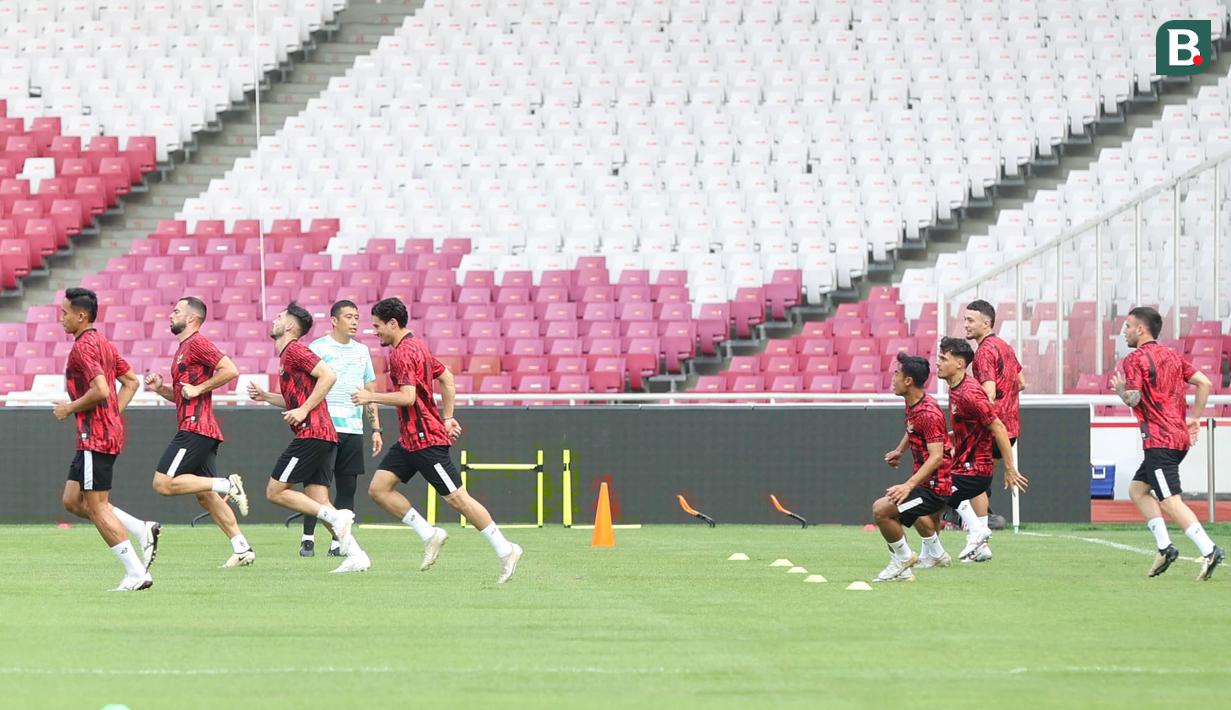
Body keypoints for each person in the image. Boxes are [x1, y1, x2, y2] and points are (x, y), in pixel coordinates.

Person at [356, 297, 523, 583]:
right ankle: (429, 534)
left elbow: (408, 397)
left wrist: (371, 396)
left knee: (458, 499)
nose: (375, 332)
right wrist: (447, 417)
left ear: (393, 324)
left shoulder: (401, 353)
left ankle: (506, 549)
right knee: (379, 489)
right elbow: (446, 377)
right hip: (410, 440)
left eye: (377, 326)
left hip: (426, 441)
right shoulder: (418, 345)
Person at [247, 302, 370, 573]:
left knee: (275, 491)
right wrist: (266, 397)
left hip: (313, 434)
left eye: (279, 317)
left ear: (289, 326)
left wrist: (303, 410)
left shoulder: (295, 351)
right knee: (319, 500)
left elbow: (329, 375)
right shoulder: (287, 357)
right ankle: (357, 555)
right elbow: (295, 399)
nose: (274, 320)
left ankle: (338, 518)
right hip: (323, 434)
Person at [55, 287, 157, 591]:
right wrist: (112, 413)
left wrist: (69, 408)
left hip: (94, 436)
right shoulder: (103, 343)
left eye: (65, 313)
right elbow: (131, 381)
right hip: (101, 433)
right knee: (73, 501)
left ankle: (136, 573)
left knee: (98, 506)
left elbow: (100, 389)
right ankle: (141, 528)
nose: (61, 318)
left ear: (81, 315)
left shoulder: (83, 347)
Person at [1111, 306, 1223, 580]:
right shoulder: (1172, 356)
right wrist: (1195, 418)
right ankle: (1165, 547)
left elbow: (1134, 399)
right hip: (1178, 438)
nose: (1124, 332)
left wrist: (1120, 390)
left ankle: (1209, 550)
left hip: (1159, 440)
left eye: (1127, 326)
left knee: (1170, 500)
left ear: (1140, 329)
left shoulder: (1134, 360)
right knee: (1138, 489)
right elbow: (1205, 382)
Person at [146, 296, 254, 568]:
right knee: (206, 496)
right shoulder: (183, 348)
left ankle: (227, 484)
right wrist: (162, 389)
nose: (170, 315)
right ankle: (242, 549)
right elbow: (185, 395)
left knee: (162, 483)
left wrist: (200, 388)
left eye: (176, 311)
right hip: (202, 429)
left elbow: (230, 370)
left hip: (195, 428)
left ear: (192, 318)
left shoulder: (197, 343)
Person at [296, 300, 382, 558]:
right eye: (348, 317)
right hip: (323, 428)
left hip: (353, 429)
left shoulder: (362, 351)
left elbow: (370, 391)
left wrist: (375, 428)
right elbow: (306, 386)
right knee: (316, 485)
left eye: (356, 317)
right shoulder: (318, 348)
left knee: (347, 487)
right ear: (334, 320)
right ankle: (308, 537)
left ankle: (338, 542)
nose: (354, 321)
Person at [936, 336, 1029, 562]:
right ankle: (977, 546)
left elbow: (998, 426)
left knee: (941, 491)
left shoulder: (970, 392)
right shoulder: (955, 388)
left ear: (959, 363)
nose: (937, 362)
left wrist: (1009, 467)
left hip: (976, 466)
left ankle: (976, 531)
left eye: (942, 358)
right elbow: (967, 428)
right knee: (936, 497)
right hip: (967, 462)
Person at [872, 353, 954, 582]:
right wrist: (899, 450)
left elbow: (936, 456)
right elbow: (913, 430)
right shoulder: (914, 405)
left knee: (882, 510)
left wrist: (908, 486)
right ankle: (921, 560)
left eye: (897, 374)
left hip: (936, 488)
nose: (893, 378)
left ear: (908, 381)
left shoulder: (928, 413)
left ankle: (903, 560)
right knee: (910, 518)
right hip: (927, 482)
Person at [961, 299, 1026, 562]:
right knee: (978, 479)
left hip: (991, 427)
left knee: (971, 478)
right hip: (1010, 427)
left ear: (986, 323)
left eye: (970, 320)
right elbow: (1021, 381)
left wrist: (979, 410)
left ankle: (980, 540)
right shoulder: (1005, 347)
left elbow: (987, 392)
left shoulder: (985, 351)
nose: (965, 324)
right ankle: (978, 531)